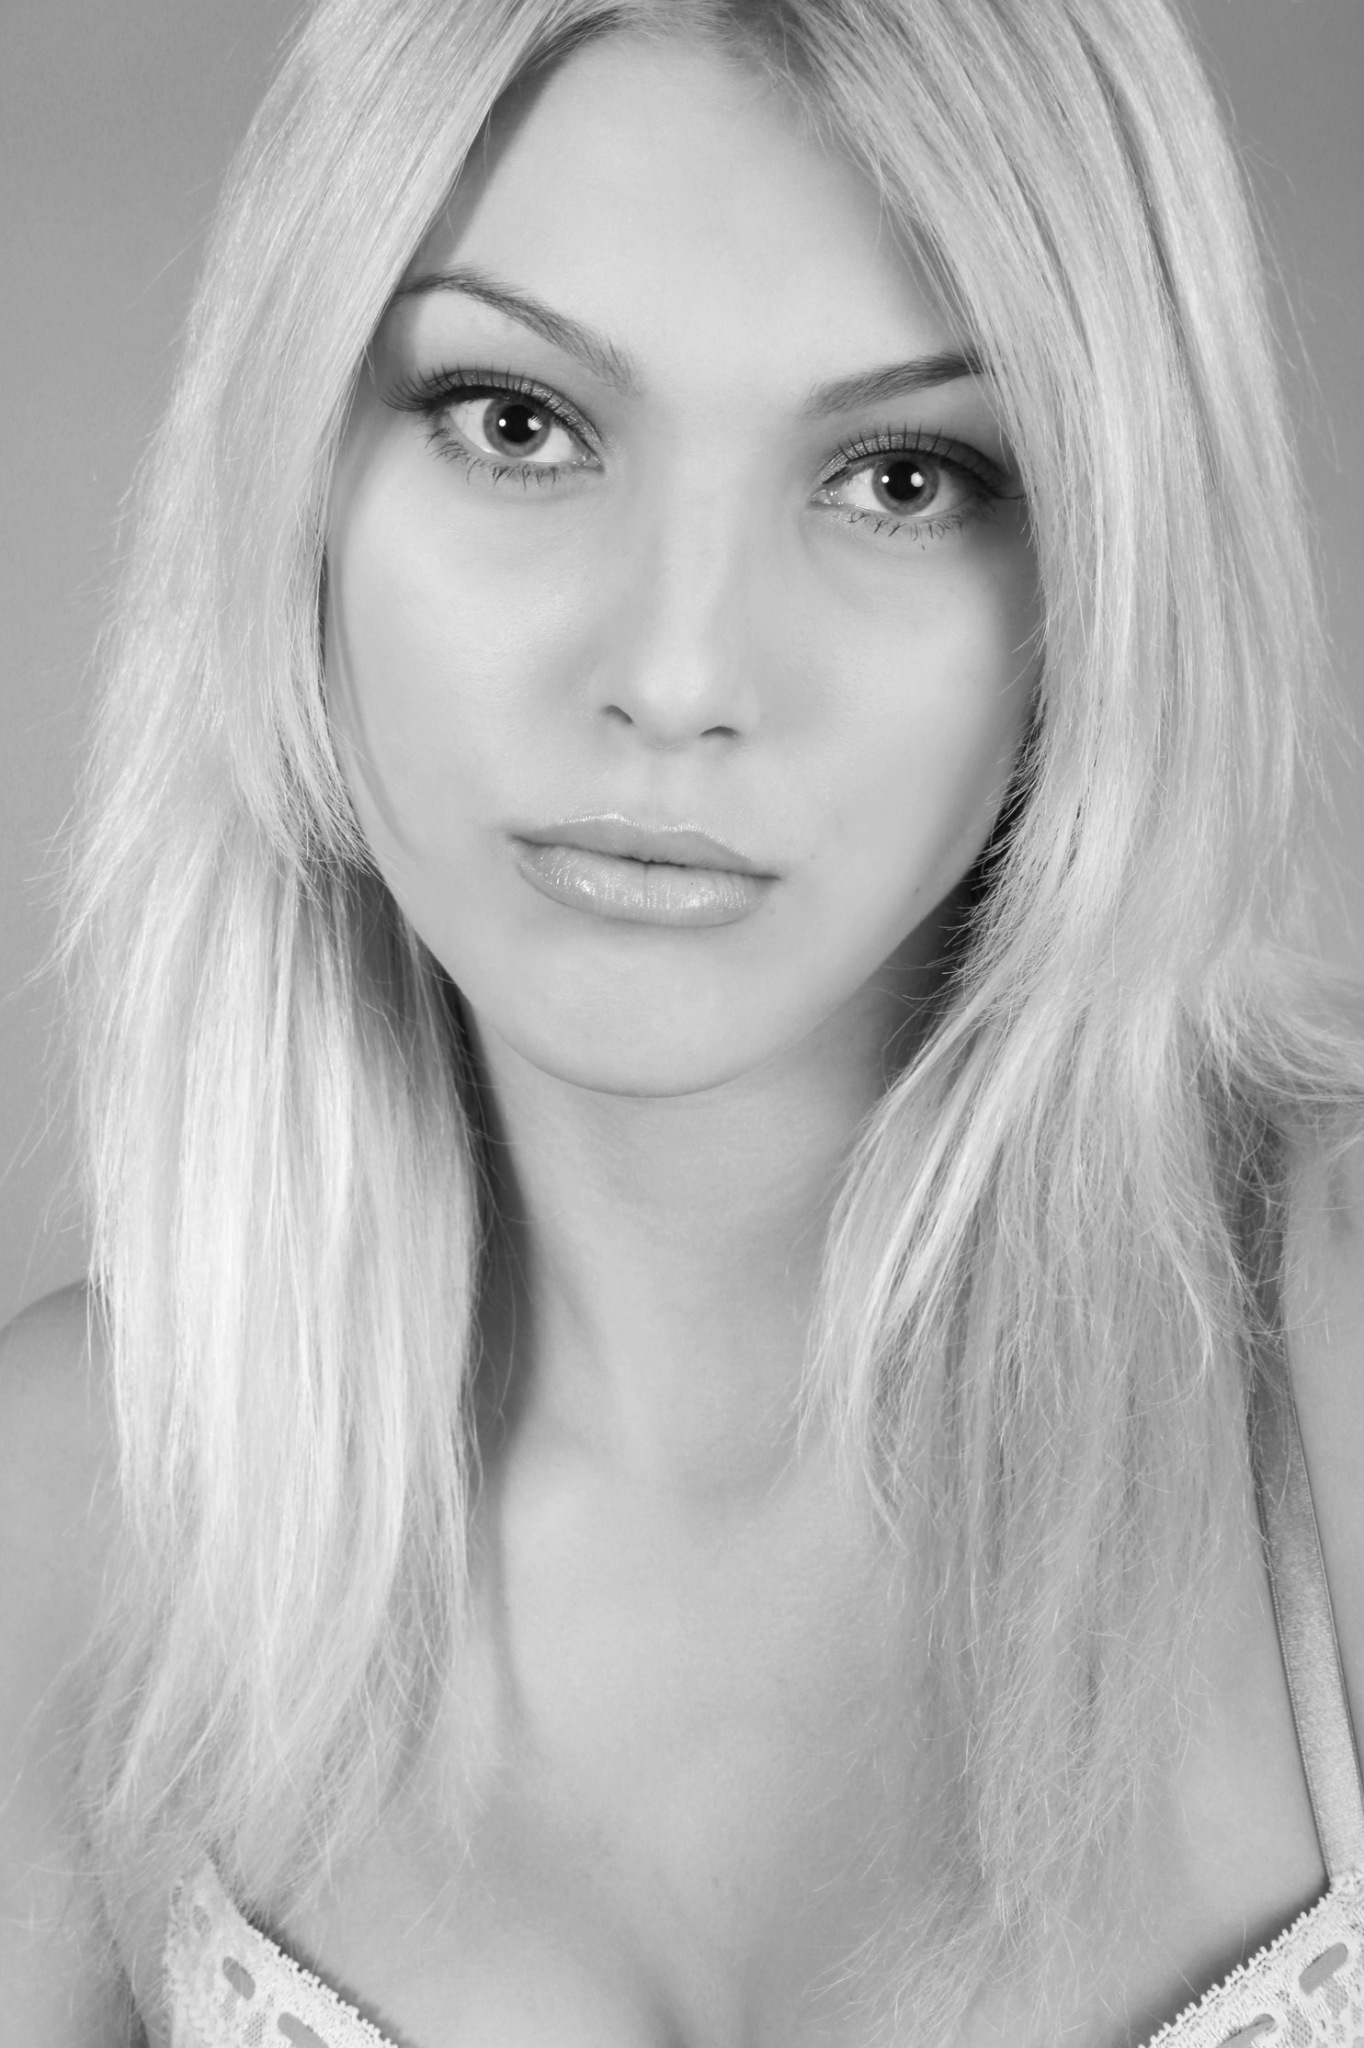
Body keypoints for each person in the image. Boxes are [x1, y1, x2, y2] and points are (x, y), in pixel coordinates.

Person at [2, 0, 1362, 2043]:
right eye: (516, 423)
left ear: (1108, 583)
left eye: (902, 476)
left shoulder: (1326, 1353)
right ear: (293, 482)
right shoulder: (79, 1510)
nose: (679, 669)